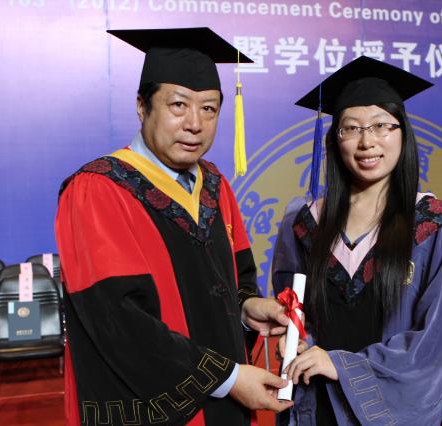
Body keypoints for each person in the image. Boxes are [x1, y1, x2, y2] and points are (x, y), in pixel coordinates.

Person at [55, 27, 291, 426]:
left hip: (226, 405)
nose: (194, 124)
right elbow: (118, 321)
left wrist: (247, 309)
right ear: (142, 107)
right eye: (178, 105)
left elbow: (237, 280)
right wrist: (228, 378)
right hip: (150, 411)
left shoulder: (215, 186)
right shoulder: (99, 190)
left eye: (209, 109)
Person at [272, 56, 442, 425]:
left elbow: (436, 343)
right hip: (318, 406)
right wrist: (296, 339)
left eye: (381, 126)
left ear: (403, 133)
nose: (367, 142)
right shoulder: (305, 223)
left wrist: (341, 365)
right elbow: (295, 310)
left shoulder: (433, 225)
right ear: (335, 140)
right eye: (351, 128)